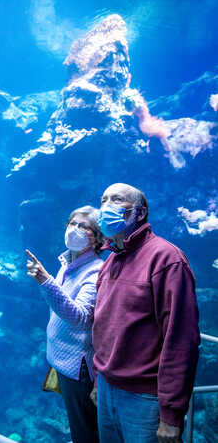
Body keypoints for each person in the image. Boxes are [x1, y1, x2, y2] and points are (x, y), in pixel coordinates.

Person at [91, 183, 200, 443]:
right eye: (103, 200)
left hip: (145, 399)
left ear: (140, 213)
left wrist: (171, 414)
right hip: (107, 388)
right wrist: (99, 379)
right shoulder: (112, 260)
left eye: (116, 200)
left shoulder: (166, 259)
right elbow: (104, 326)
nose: (106, 206)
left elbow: (181, 340)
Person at [26, 205, 104, 443]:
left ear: (98, 237)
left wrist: (45, 280)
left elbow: (80, 317)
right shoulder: (68, 264)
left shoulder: (95, 271)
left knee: (85, 428)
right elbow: (58, 306)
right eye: (72, 223)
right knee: (76, 421)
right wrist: (48, 281)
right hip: (62, 361)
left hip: (77, 366)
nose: (75, 229)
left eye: (84, 226)